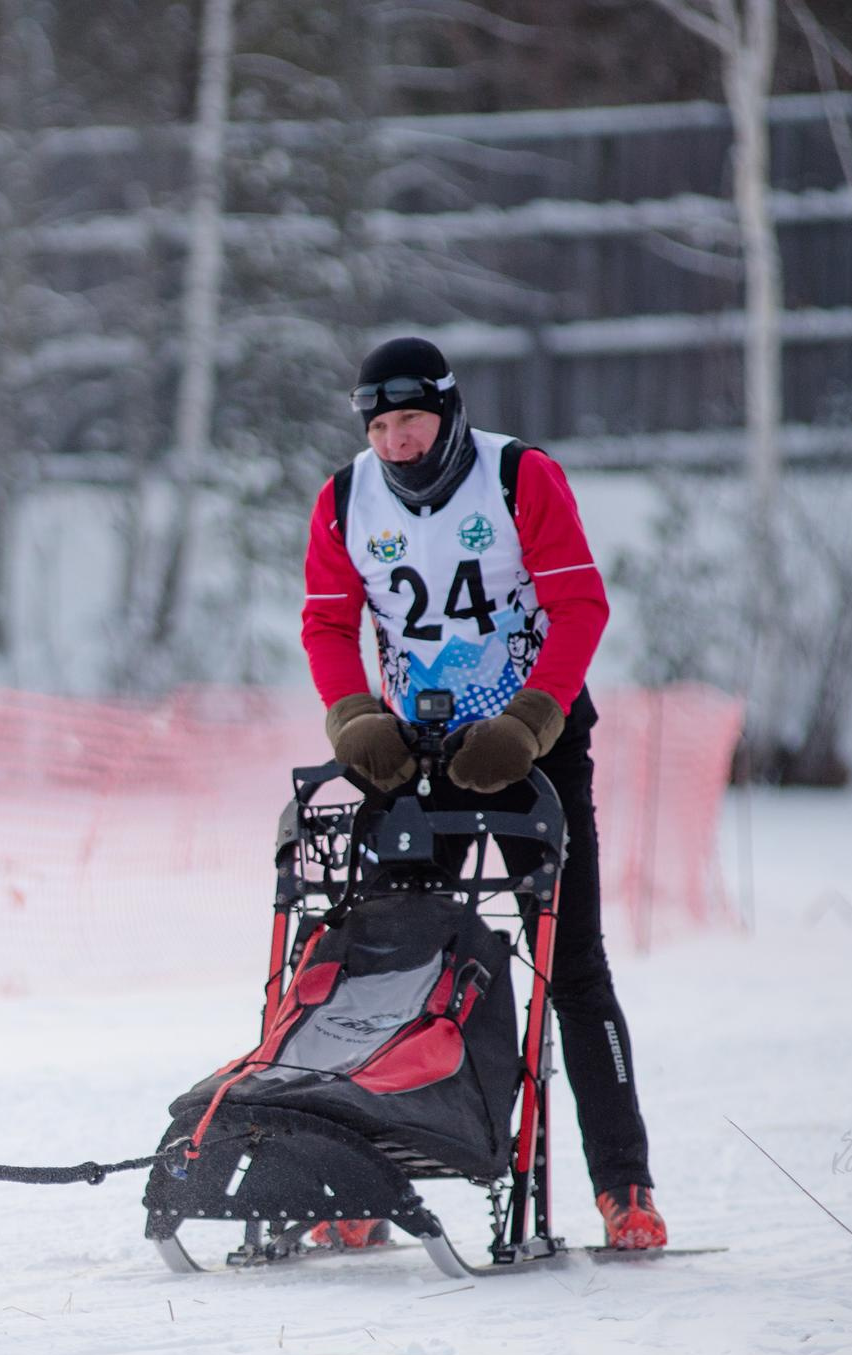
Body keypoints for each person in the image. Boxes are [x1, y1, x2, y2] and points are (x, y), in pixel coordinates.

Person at [298, 334, 667, 1251]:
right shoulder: (345, 499)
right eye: (380, 427)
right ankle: (364, 1188)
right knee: (388, 963)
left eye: (411, 421)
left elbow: (580, 606)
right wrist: (353, 719)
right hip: (410, 754)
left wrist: (532, 720)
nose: (396, 443)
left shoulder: (518, 477)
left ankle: (625, 1186)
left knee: (572, 966)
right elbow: (328, 621)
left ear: (449, 413)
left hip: (529, 745)